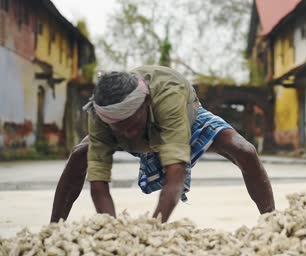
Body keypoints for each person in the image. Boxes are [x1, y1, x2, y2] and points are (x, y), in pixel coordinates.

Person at [50, 65, 275, 223]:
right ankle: (54, 228)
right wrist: (114, 233)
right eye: (120, 126)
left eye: (132, 122)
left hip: (185, 119)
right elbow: (99, 186)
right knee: (80, 154)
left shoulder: (169, 99)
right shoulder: (101, 114)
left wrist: (152, 232)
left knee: (245, 150)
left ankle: (271, 221)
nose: (128, 132)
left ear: (147, 102)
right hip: (131, 123)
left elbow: (175, 174)